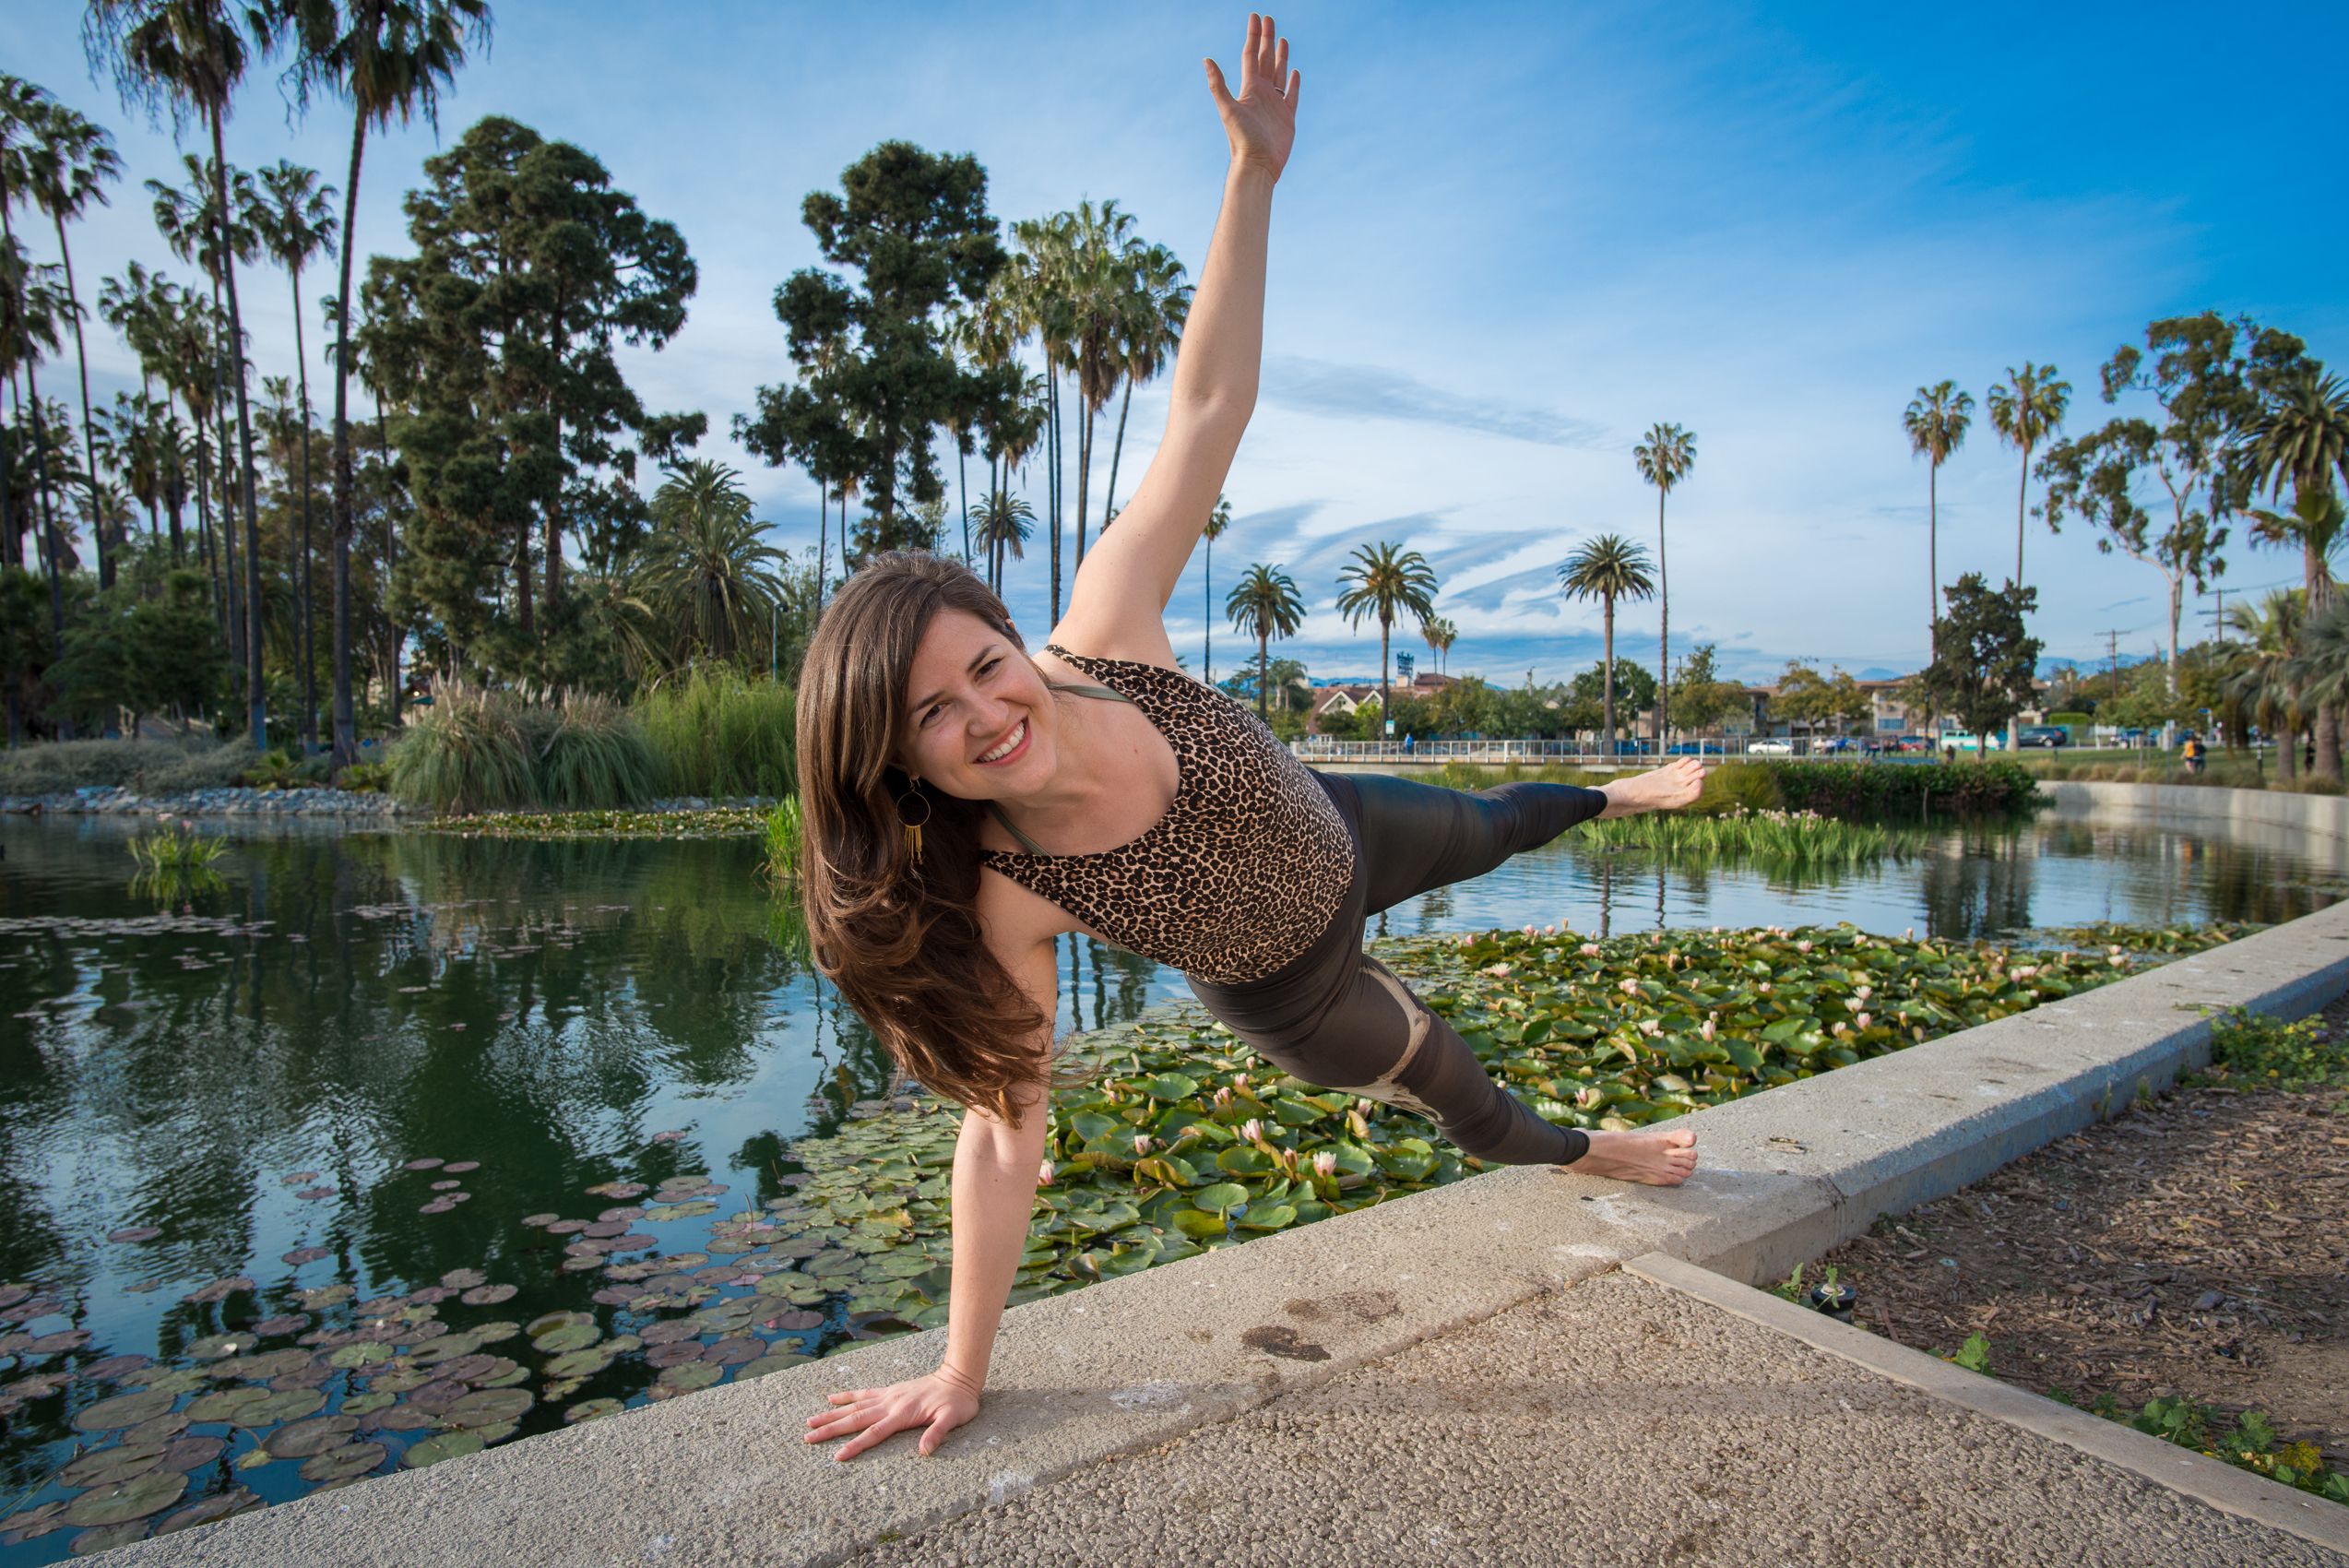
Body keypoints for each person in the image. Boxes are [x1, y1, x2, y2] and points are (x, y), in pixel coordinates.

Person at [791, 15, 1705, 1465]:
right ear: (902, 764)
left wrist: (1252, 179)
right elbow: (1002, 1135)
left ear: (1012, 635)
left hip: (1340, 825)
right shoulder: (1014, 885)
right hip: (1290, 985)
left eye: (981, 667)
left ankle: (1622, 787)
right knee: (1464, 1094)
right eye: (933, 721)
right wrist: (962, 1368)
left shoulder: (1106, 631)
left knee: (1499, 823)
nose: (984, 719)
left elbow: (1206, 408)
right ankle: (1602, 1152)